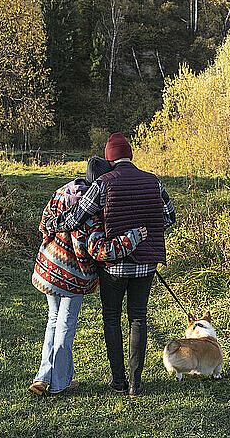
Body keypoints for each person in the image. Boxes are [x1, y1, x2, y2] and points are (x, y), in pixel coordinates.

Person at [46, 133, 176, 397]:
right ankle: (135, 384)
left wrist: (52, 224)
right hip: (146, 266)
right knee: (138, 317)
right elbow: (169, 218)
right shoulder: (154, 181)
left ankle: (118, 381)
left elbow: (77, 218)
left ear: (109, 158)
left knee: (112, 318)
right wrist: (145, 234)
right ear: (130, 155)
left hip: (113, 266)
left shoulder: (103, 183)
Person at [29, 156, 147, 397]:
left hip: (48, 269)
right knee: (65, 326)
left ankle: (43, 377)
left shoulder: (62, 192)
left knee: (53, 321)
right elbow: (101, 251)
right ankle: (60, 383)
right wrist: (134, 237)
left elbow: (44, 224)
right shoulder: (91, 213)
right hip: (72, 277)